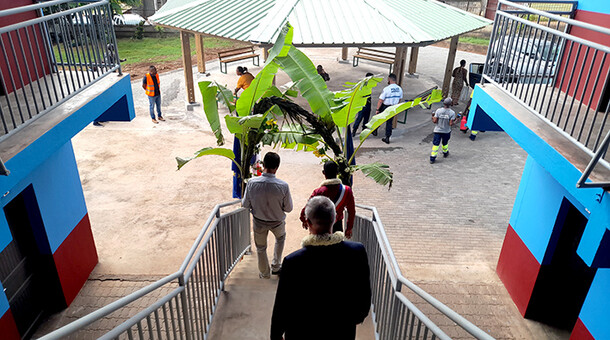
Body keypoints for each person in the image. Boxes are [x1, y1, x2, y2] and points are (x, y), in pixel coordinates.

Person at [271, 196, 371, 340]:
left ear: (307, 222)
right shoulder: (356, 252)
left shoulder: (293, 261)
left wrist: (276, 334)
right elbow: (363, 294)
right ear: (335, 218)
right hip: (341, 331)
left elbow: (283, 306)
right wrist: (354, 318)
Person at [242, 152, 293, 279]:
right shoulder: (283, 186)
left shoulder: (252, 183)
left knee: (261, 247)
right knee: (280, 239)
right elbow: (289, 208)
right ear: (277, 167)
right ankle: (276, 266)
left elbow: (245, 204)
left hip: (258, 222)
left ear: (263, 164)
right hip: (277, 222)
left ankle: (264, 273)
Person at [299, 161, 355, 238]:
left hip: (319, 227)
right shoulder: (346, 190)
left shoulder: (318, 192)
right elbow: (351, 211)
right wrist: (349, 228)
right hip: (337, 226)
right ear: (337, 172)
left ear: (323, 173)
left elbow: (306, 209)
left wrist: (304, 220)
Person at [375, 73, 403, 144]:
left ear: (389, 79)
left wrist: (378, 109)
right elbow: (400, 99)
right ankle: (387, 137)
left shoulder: (387, 89)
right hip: (393, 107)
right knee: (389, 123)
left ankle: (375, 130)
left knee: (379, 118)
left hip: (385, 106)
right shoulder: (399, 89)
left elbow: (381, 100)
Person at [430, 98, 457, 164]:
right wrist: (456, 121)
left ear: (444, 103)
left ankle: (432, 158)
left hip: (437, 131)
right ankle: (445, 153)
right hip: (446, 131)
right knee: (445, 143)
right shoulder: (452, 113)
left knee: (436, 144)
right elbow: (450, 124)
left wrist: (432, 116)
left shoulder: (438, 111)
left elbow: (434, 121)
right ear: (450, 104)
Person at [352, 72, 374, 137]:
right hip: (363, 102)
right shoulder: (362, 84)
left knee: (366, 117)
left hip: (368, 102)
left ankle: (364, 130)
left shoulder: (370, 85)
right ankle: (354, 130)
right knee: (360, 117)